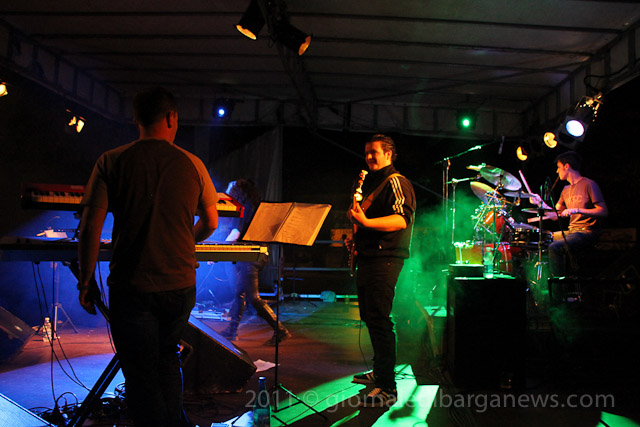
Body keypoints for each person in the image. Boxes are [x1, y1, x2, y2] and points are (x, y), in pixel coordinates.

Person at [77, 86, 219, 427]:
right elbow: (212, 222)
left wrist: (85, 280)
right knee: (168, 360)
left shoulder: (111, 160)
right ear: (171, 117)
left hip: (132, 285)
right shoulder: (193, 163)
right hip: (180, 285)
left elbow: (90, 227)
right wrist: (183, 241)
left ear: (136, 119)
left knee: (140, 374)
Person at [346, 134, 416, 407]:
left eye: (374, 152)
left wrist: (364, 223)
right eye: (366, 152)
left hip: (385, 258)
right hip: (369, 257)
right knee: (371, 317)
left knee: (379, 319)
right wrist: (357, 235)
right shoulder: (373, 182)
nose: (368, 157)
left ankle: (388, 388)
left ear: (389, 154)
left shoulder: (396, 181)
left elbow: (400, 219)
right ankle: (379, 372)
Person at [219, 179, 290, 345]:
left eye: (230, 190)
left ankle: (280, 330)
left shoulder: (243, 208)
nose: (227, 193)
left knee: (253, 297)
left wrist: (217, 250)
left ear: (237, 193)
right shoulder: (256, 207)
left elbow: (235, 233)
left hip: (249, 256)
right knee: (239, 293)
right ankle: (232, 329)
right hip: (257, 254)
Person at [531, 150, 607, 277]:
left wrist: (577, 210)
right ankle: (542, 279)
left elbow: (603, 211)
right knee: (542, 239)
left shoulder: (589, 184)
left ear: (567, 166)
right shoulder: (565, 190)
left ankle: (559, 284)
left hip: (587, 232)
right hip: (572, 231)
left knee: (555, 247)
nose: (557, 171)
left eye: (558, 167)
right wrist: (540, 203)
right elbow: (554, 215)